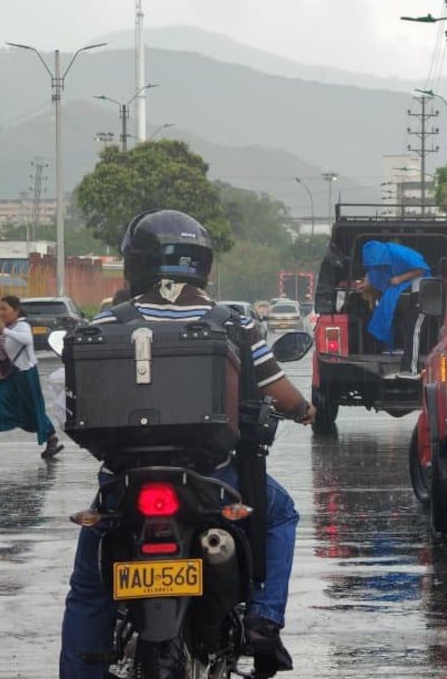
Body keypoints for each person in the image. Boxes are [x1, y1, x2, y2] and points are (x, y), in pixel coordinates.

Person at [59, 210, 314, 677]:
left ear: (135, 264)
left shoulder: (111, 319)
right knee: (281, 514)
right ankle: (264, 620)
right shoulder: (233, 322)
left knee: (90, 587)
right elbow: (276, 387)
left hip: (126, 480)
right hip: (213, 477)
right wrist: (305, 411)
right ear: (204, 265)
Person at [0, 295, 63, 459]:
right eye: (0, 309)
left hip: (25, 375)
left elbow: (27, 339)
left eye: (5, 309)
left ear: (16, 310)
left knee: (32, 410)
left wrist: (5, 331)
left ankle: (51, 438)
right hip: (9, 375)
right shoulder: (9, 327)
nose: (1, 312)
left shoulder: (22, 326)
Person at [354, 240, 431, 378]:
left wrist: (400, 278)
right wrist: (365, 283)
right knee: (408, 330)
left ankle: (412, 370)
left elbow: (422, 268)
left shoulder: (399, 252)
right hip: (407, 296)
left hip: (421, 292)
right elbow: (373, 273)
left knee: (414, 330)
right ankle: (406, 366)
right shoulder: (381, 260)